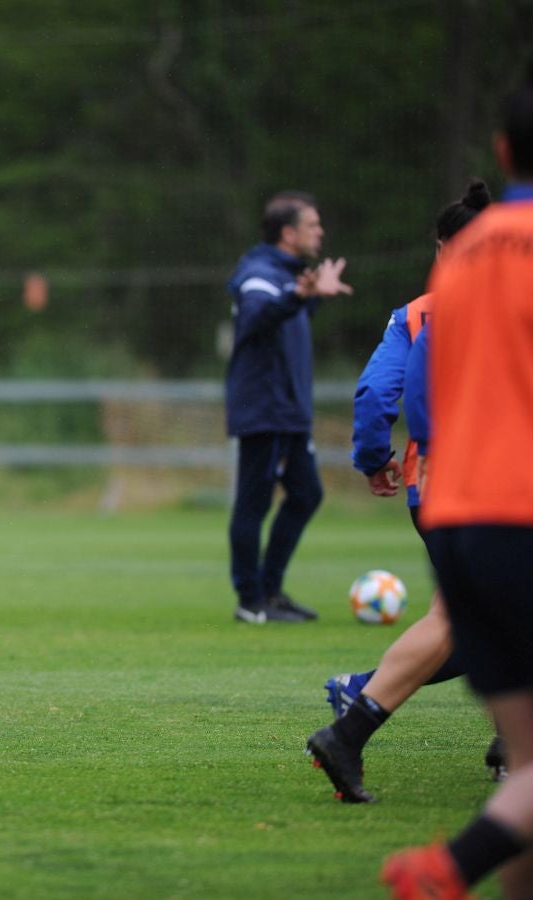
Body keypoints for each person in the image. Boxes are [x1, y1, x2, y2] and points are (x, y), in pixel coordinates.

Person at [381, 62, 533, 899]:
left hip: (456, 513)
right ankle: (452, 867)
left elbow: (424, 392)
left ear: (504, 150)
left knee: (522, 765)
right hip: (525, 509)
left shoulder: (462, 254)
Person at [305, 180, 494, 805]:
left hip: (430, 483)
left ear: (443, 246)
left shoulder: (416, 313)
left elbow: (376, 394)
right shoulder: (505, 302)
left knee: (481, 617)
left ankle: (504, 743)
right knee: (467, 620)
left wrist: (373, 458)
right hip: (492, 485)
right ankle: (360, 703)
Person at [225, 190, 354, 624]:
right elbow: (257, 317)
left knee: (306, 493)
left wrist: (311, 296)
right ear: (288, 232)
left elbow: (283, 320)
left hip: (289, 410)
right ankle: (250, 600)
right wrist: (300, 295)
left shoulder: (291, 275)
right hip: (264, 408)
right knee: (253, 505)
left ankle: (271, 590)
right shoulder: (259, 273)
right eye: (312, 225)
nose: (320, 232)